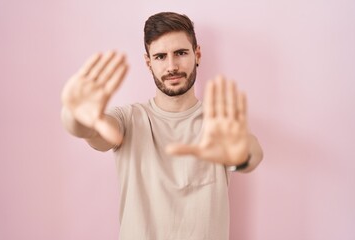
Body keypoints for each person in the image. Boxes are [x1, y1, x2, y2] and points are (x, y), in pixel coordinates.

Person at [61, 11, 263, 240]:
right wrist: (75, 115)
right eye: (160, 57)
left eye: (181, 53)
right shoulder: (129, 119)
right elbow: (89, 129)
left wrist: (241, 157)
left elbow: (252, 153)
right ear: (148, 62)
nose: (172, 66)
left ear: (197, 54)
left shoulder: (218, 122)